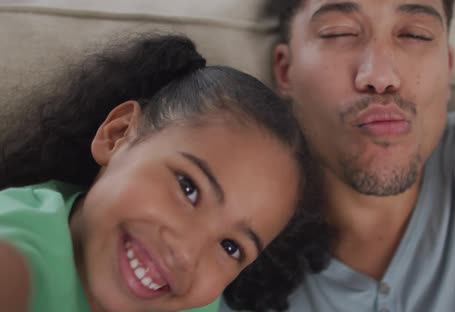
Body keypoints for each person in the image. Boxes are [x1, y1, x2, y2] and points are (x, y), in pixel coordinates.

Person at [220, 0, 455, 311]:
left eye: (414, 35)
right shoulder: (228, 242)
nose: (380, 77)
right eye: (340, 33)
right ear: (285, 71)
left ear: (448, 66)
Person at [0, 33, 325, 312]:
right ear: (118, 134)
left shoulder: (186, 296)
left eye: (230, 247)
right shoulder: (19, 250)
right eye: (189, 188)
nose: (186, 254)